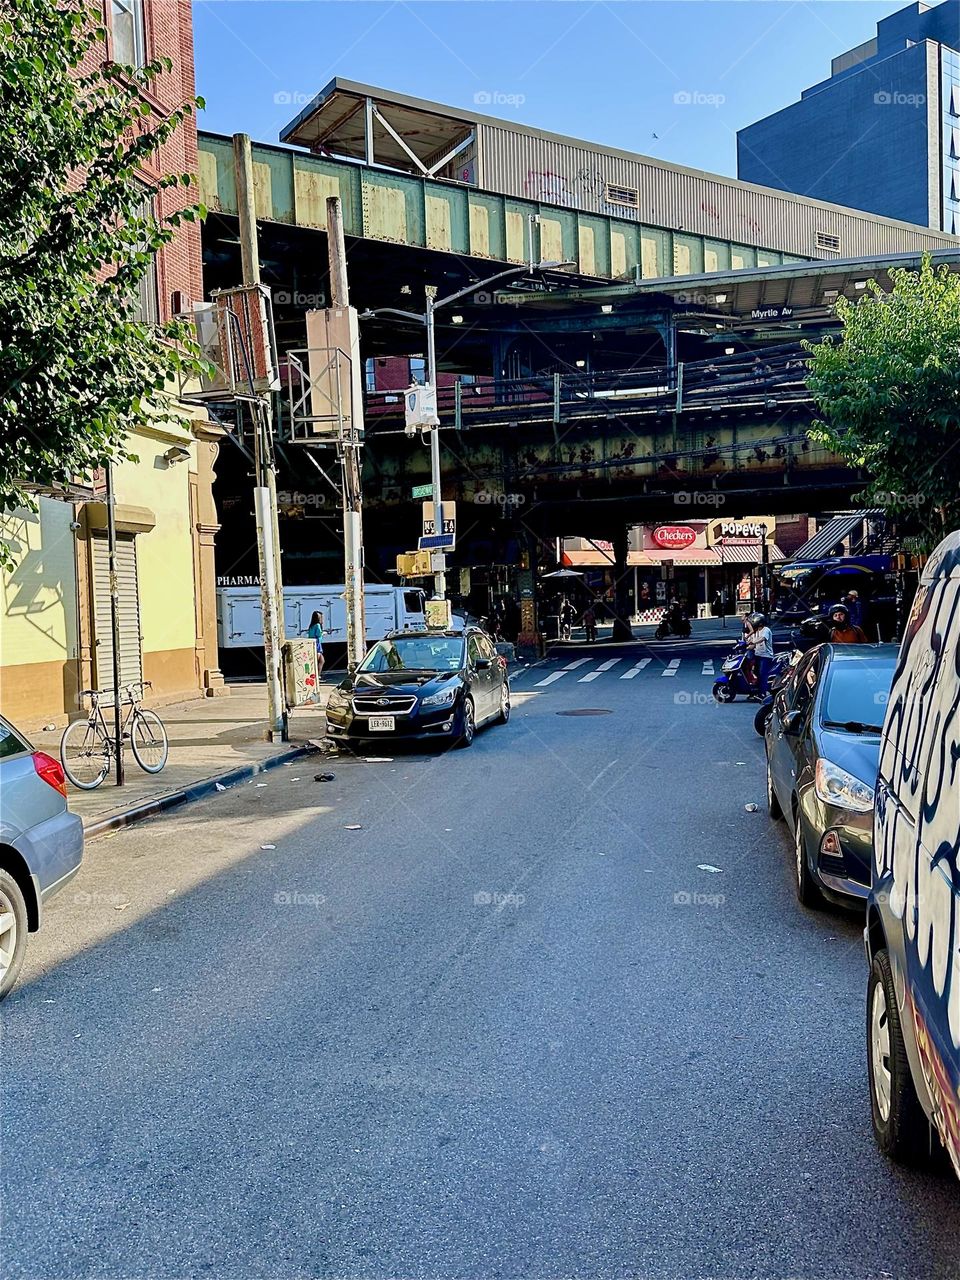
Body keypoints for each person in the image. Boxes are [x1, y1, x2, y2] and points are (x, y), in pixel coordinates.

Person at [744, 610, 774, 695]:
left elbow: (762, 639)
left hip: (766, 656)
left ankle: (763, 693)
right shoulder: (756, 632)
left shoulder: (766, 630)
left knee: (762, 674)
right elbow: (753, 644)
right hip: (758, 655)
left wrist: (753, 642)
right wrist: (747, 645)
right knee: (755, 673)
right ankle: (755, 692)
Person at [307, 610, 325, 679]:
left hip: (312, 643)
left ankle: (317, 676)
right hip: (317, 644)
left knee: (322, 660)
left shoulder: (311, 626)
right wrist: (323, 633)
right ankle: (316, 676)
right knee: (316, 661)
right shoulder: (317, 625)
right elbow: (318, 634)